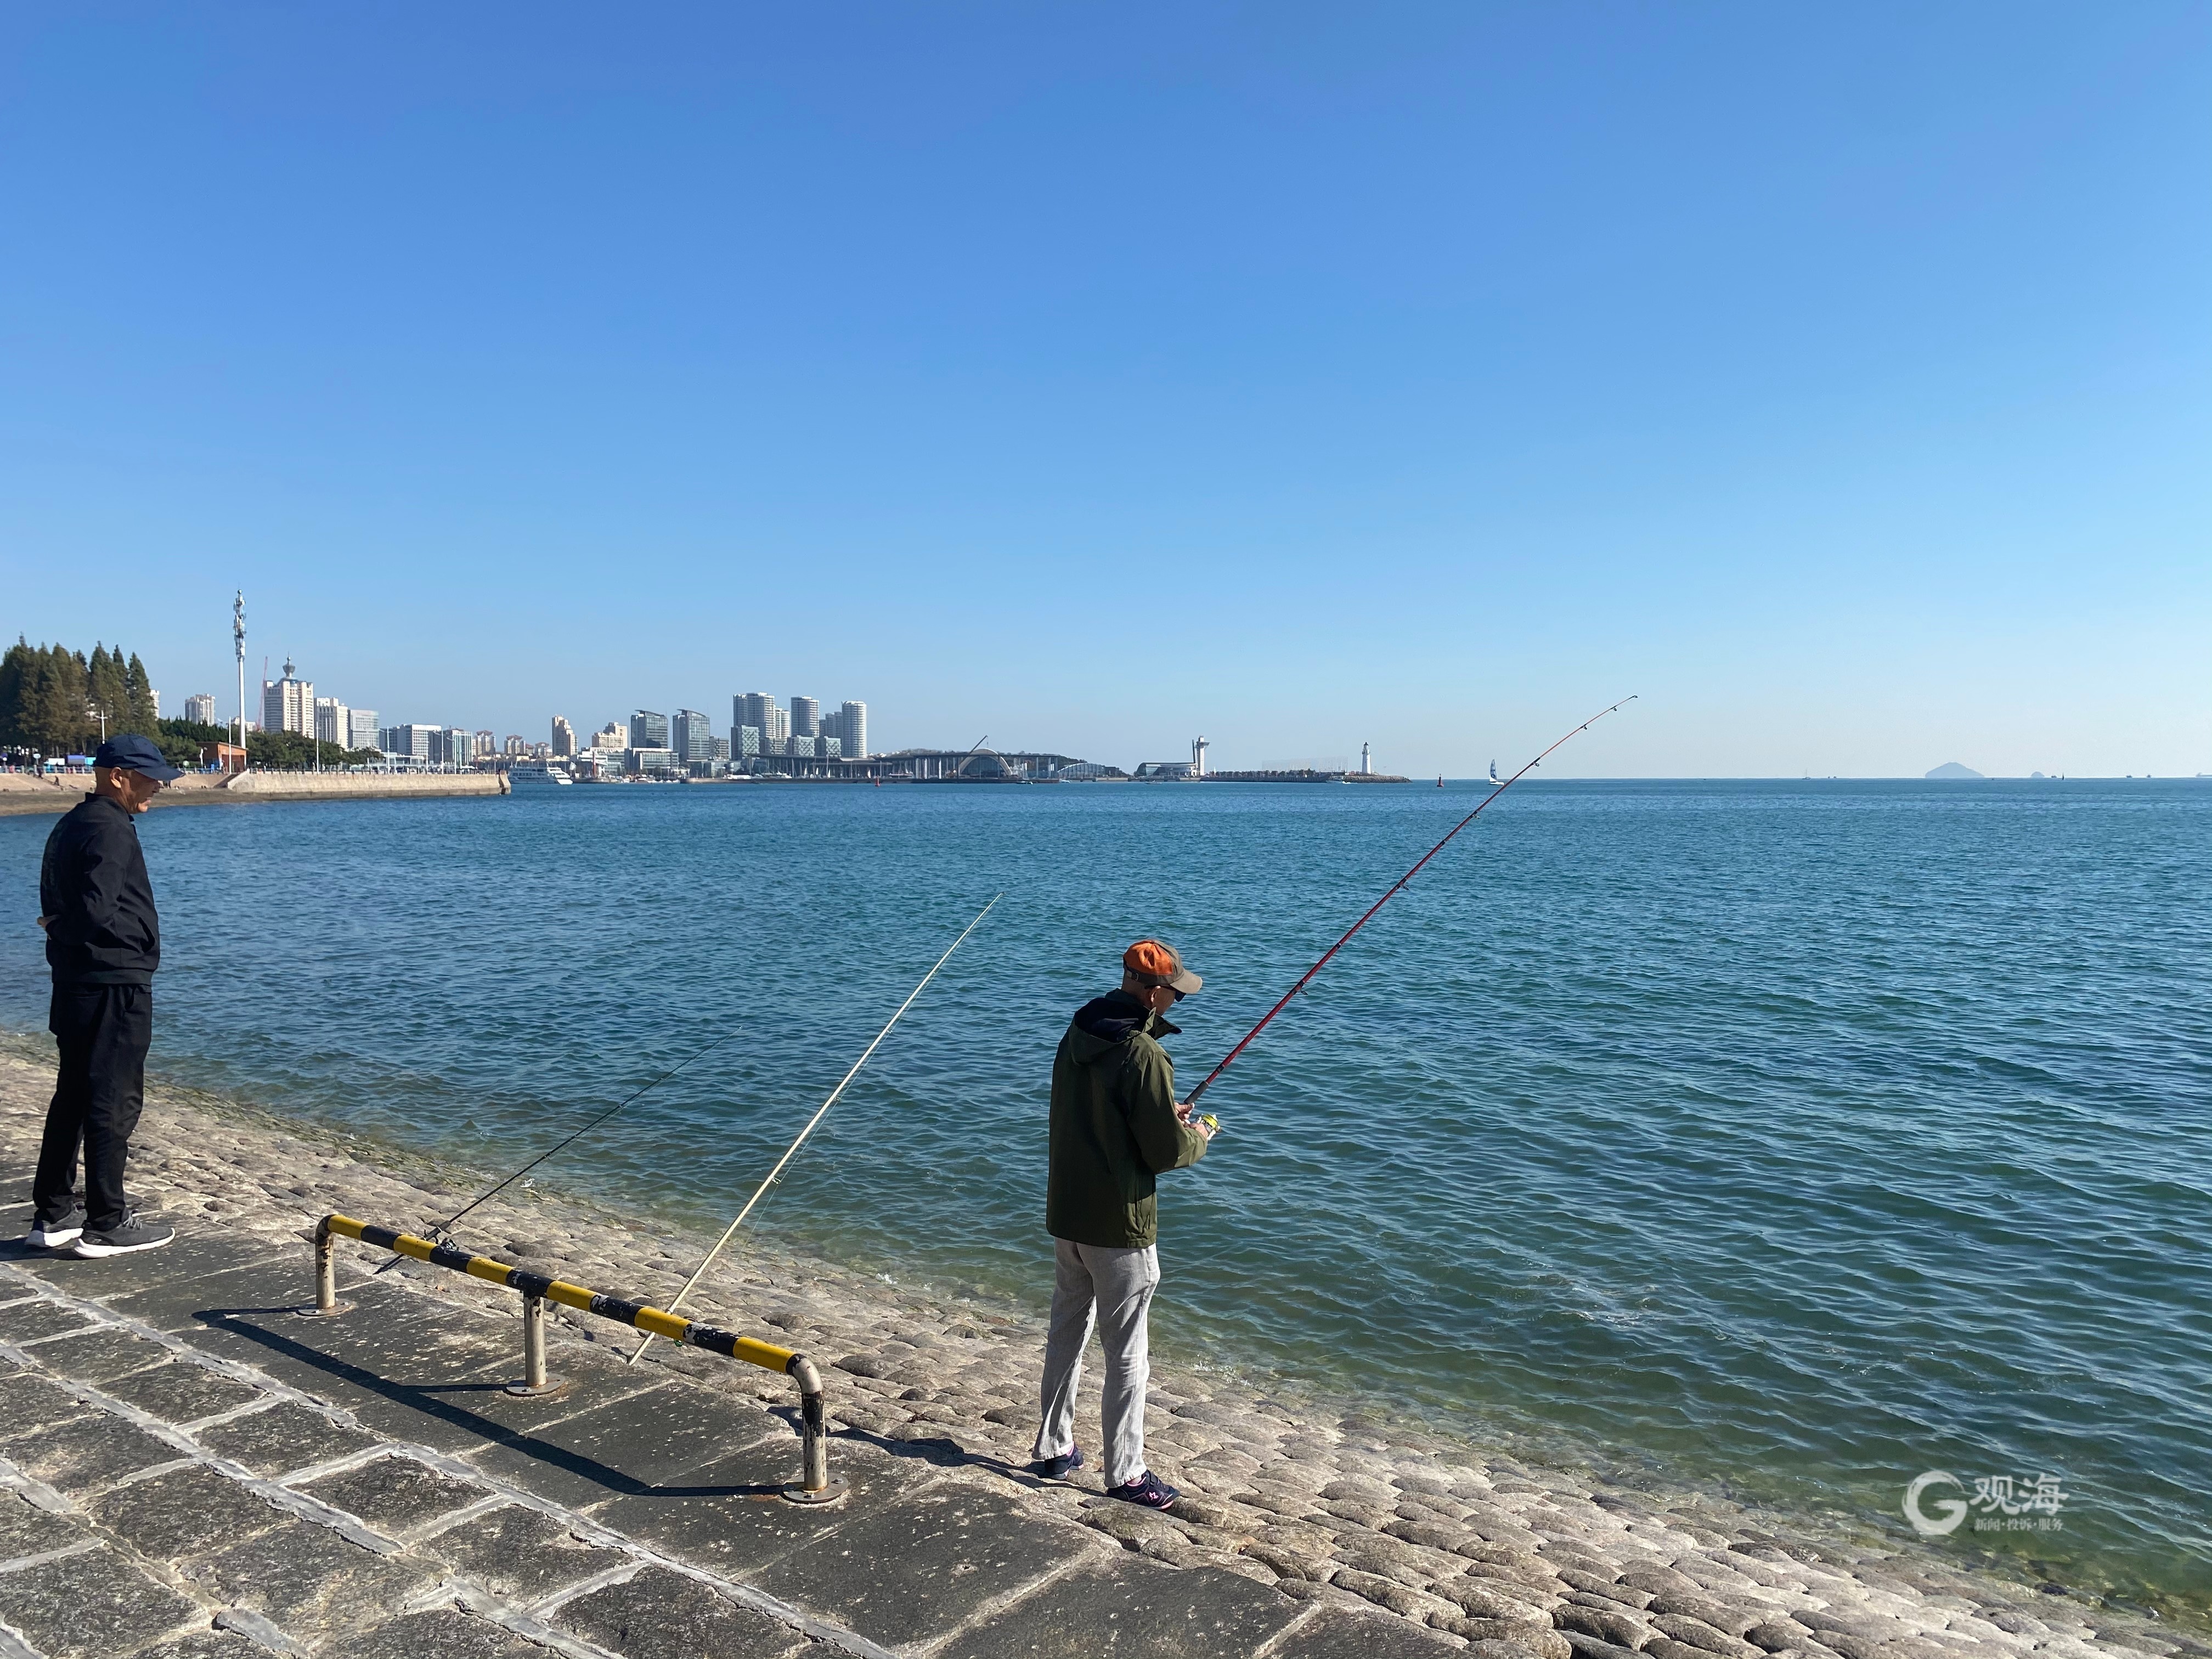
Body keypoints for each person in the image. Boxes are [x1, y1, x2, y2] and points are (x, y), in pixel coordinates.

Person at [1030, 938, 1216, 1509]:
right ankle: (1127, 1473)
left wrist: (1164, 1111)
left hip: (1070, 1211)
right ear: (1153, 991)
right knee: (1128, 1351)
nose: (1178, 1002)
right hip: (1119, 1224)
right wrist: (1198, 1135)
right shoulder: (1144, 1053)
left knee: (1067, 1331)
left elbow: (1103, 1112)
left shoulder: (1080, 1031)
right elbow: (1162, 1152)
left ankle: (1055, 1450)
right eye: (1174, 994)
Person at [25, 735, 181, 1257]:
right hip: (113, 980)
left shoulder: (76, 822)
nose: (158, 785)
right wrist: (60, 928)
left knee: (74, 1092)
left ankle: (54, 1213)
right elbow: (94, 910)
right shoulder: (109, 828)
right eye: (148, 776)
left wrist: (59, 930)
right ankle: (107, 1222)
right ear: (116, 775)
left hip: (77, 980)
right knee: (114, 1098)